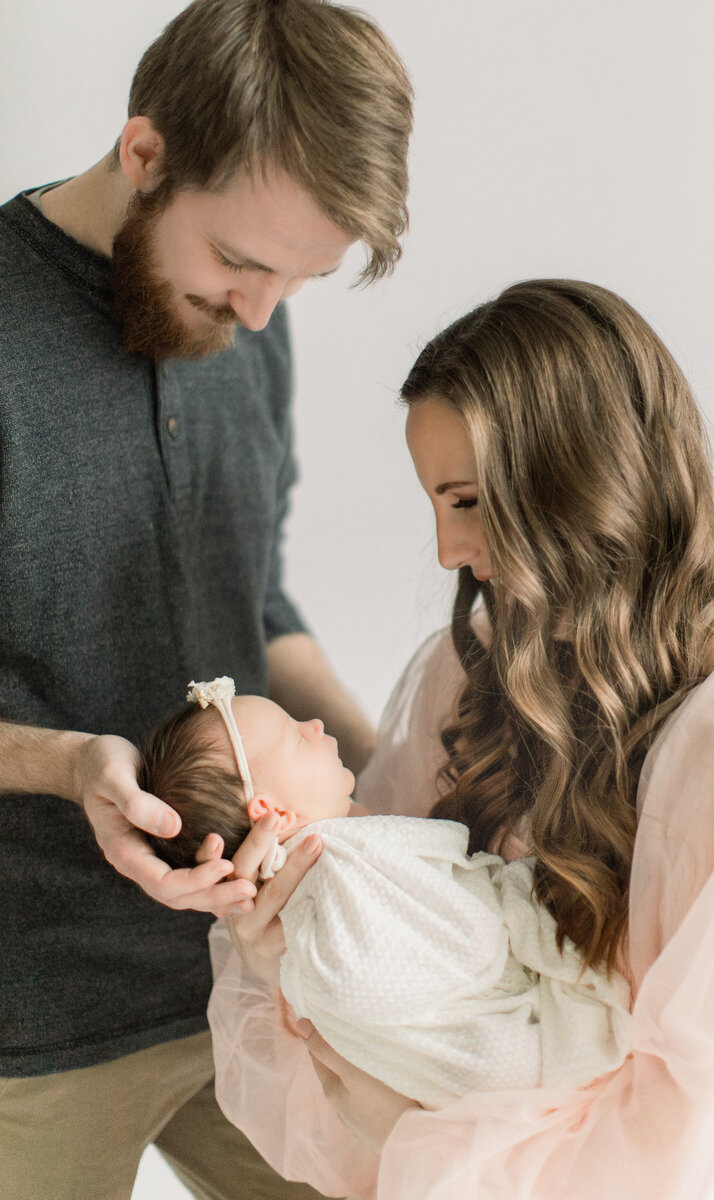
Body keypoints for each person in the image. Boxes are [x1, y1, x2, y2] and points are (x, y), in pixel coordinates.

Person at [212, 280, 714, 1199]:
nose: (448, 551)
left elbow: (692, 1143)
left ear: (585, 481)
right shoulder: (478, 664)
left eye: (471, 501)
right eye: (438, 504)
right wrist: (286, 945)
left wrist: (409, 1125)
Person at [0, 2, 412, 1197]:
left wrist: (393, 768)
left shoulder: (250, 327)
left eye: (300, 279)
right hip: (34, 1022)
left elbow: (257, 608)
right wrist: (75, 765)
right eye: (238, 261)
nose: (261, 315)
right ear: (145, 156)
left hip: (269, 983)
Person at [137, 676, 630, 1110]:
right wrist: (509, 912)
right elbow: (382, 973)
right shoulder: (331, 872)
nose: (312, 724)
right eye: (294, 734)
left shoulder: (337, 856)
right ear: (273, 813)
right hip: (496, 1045)